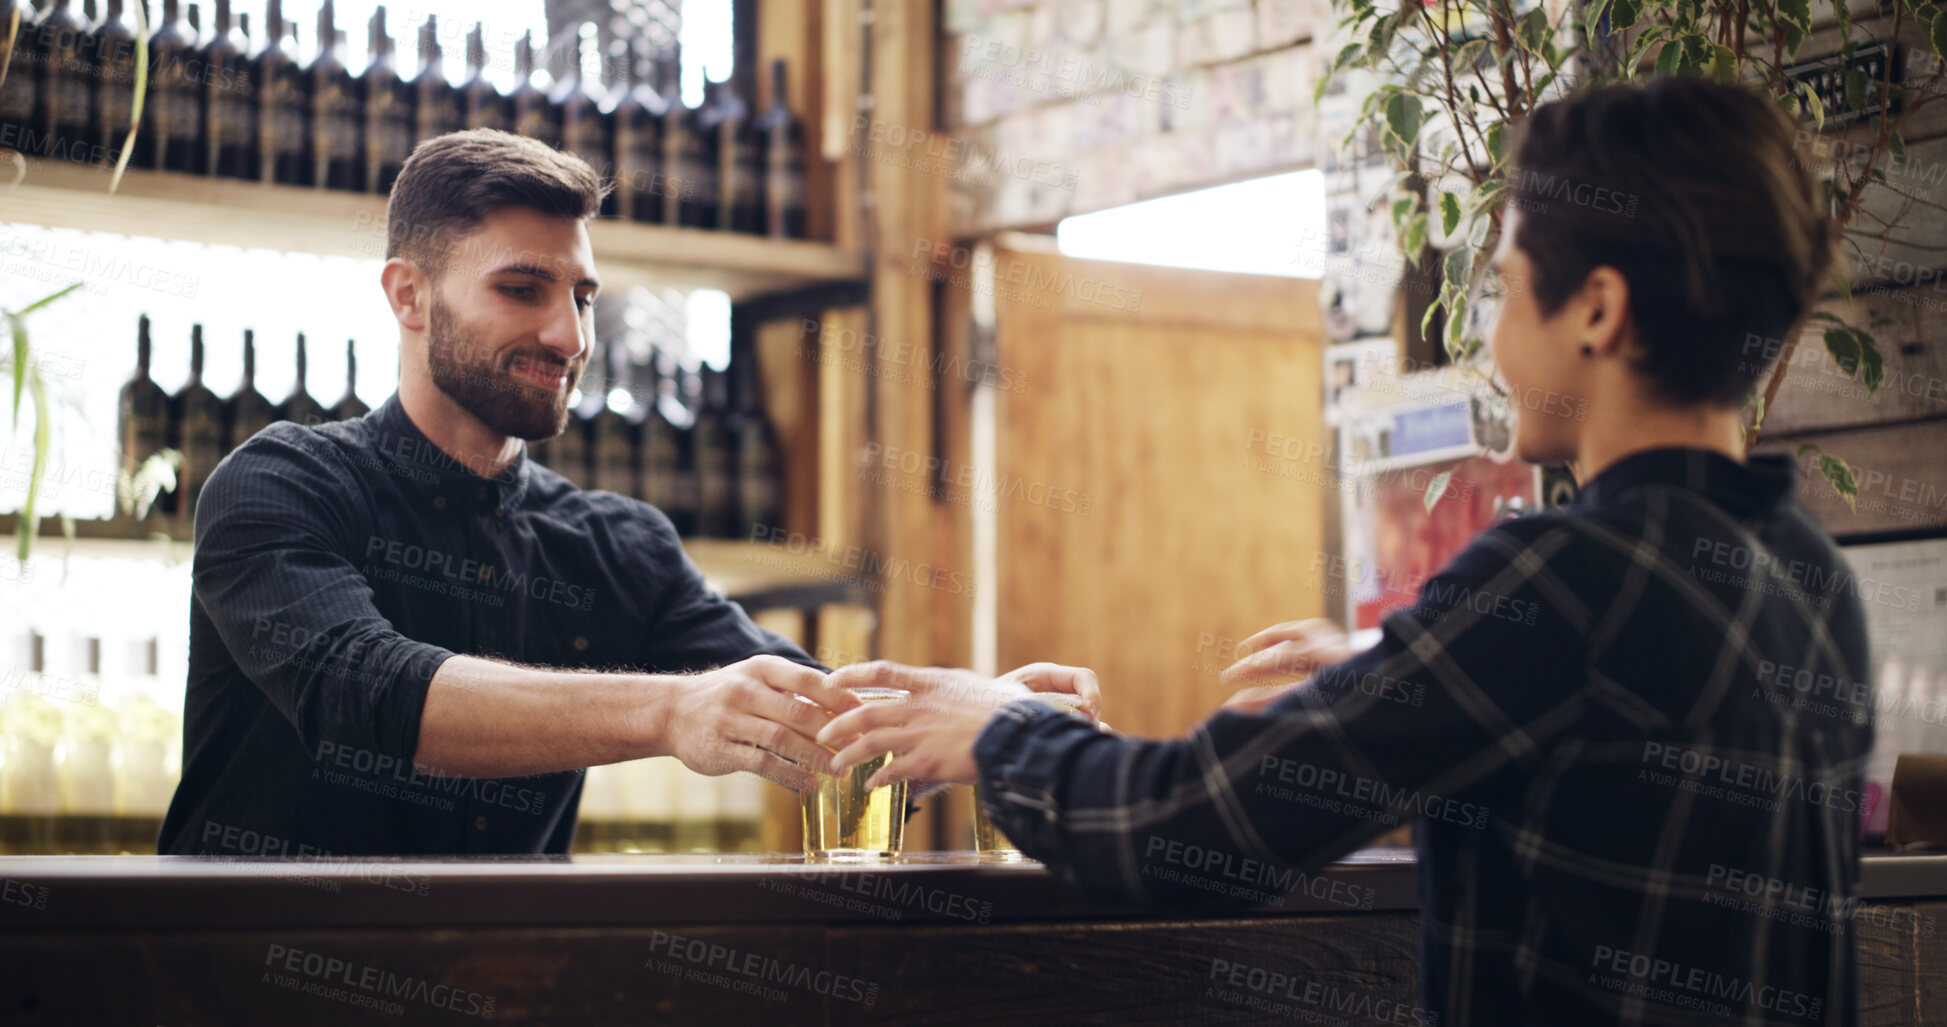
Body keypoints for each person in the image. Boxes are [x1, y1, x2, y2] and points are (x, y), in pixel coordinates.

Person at [817, 78, 1870, 1025]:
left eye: (1502, 291)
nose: (1492, 342)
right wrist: (1403, 674)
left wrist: (1003, 732)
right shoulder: (1808, 572)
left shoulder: (1568, 580)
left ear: (1596, 309)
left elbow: (1190, 826)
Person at [159, 130, 870, 856]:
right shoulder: (278, 484)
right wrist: (672, 708)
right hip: (242, 962)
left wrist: (978, 718)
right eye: (521, 290)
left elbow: (832, 724)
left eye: (583, 299)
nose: (569, 337)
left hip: (515, 968)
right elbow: (367, 694)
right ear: (410, 295)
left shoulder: (620, 547)